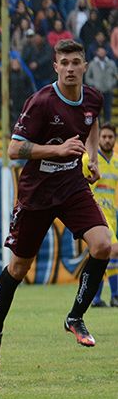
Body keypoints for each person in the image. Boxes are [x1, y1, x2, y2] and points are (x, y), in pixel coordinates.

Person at [0, 39, 110, 367]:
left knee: (103, 245)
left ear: (84, 66)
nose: (70, 68)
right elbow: (14, 149)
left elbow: (92, 122)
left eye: (75, 62)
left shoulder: (93, 98)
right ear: (55, 67)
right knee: (19, 268)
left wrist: (93, 157)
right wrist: (58, 150)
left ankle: (75, 317)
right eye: (64, 63)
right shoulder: (41, 102)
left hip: (72, 186)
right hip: (37, 193)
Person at [81, 124, 118, 308]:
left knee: (101, 256)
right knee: (114, 250)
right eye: (103, 136)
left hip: (111, 216)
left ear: (115, 139)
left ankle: (95, 299)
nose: (107, 140)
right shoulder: (88, 160)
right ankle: (116, 296)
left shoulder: (116, 161)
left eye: (110, 137)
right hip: (94, 214)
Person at [85, 47, 118, 124]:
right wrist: (94, 84)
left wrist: (111, 83)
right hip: (97, 91)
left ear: (106, 52)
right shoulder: (92, 64)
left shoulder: (111, 63)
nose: (102, 53)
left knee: (108, 109)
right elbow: (87, 78)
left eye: (103, 51)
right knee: (97, 110)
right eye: (100, 51)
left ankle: (107, 125)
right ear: (97, 53)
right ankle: (98, 127)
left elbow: (116, 76)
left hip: (108, 90)